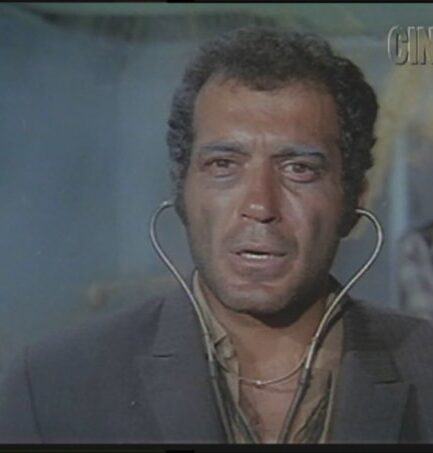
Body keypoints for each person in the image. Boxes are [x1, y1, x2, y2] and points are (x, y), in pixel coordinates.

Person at [1, 26, 433, 444]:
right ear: (182, 190)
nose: (260, 206)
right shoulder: (54, 388)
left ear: (354, 198)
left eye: (299, 169)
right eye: (224, 165)